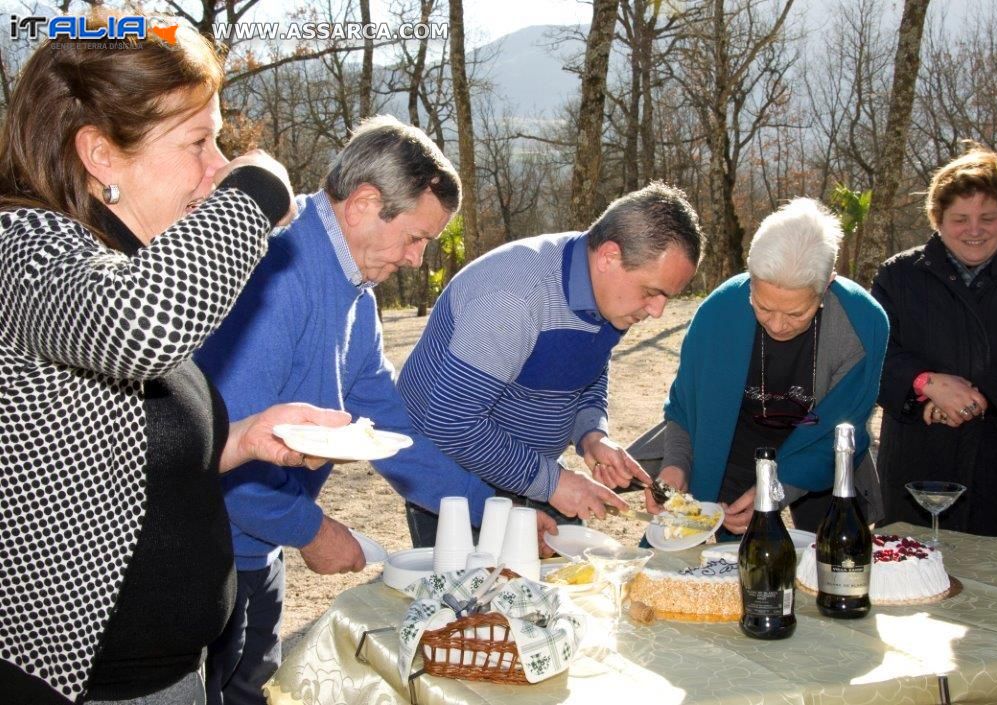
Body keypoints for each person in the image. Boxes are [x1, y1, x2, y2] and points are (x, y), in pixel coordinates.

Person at [0, 25, 350, 705]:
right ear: (100, 152)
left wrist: (245, 439)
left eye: (220, 145)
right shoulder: (19, 250)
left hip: (176, 674)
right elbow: (137, 325)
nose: (216, 165)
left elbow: (110, 459)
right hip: (77, 685)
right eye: (198, 142)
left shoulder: (115, 261)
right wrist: (254, 188)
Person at [193, 115, 534, 705]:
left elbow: (391, 424)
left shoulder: (355, 291)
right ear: (364, 204)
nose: (416, 259)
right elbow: (217, 440)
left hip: (260, 546)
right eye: (415, 237)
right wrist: (313, 531)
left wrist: (490, 508)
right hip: (209, 552)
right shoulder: (275, 269)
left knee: (252, 685)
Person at [396, 182, 704, 543]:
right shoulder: (512, 298)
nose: (657, 311)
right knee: (473, 595)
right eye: (652, 293)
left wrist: (592, 435)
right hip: (452, 477)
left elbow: (587, 368)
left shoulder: (608, 294)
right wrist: (553, 482)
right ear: (608, 256)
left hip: (528, 470)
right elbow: (453, 422)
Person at [638, 198, 889, 536]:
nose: (778, 325)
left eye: (797, 313)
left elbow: (844, 429)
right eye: (764, 307)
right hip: (734, 449)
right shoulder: (719, 312)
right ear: (750, 277)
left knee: (826, 557)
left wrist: (775, 487)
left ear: (826, 285)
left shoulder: (862, 325)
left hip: (822, 456)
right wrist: (676, 466)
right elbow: (686, 406)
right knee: (729, 562)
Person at [872, 146, 997, 539]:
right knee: (911, 581)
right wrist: (927, 385)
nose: (974, 230)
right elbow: (872, 354)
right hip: (916, 465)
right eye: (960, 219)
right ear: (937, 220)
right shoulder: (899, 275)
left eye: (988, 218)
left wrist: (981, 397)